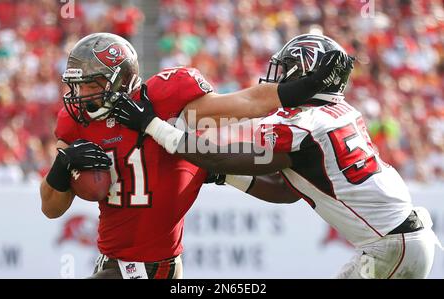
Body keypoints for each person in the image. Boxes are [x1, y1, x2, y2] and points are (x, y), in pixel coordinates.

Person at [118, 34, 441, 279]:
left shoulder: (301, 125)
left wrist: (152, 126)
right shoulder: (341, 111)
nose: (278, 77)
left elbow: (220, 157)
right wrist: (225, 176)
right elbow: (286, 191)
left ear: (305, 72)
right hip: (407, 240)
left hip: (390, 246)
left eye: (286, 70)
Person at [39, 32, 345, 279]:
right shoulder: (77, 123)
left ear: (120, 80)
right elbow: (51, 208)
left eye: (91, 85)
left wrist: (306, 88)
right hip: (110, 260)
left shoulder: (165, 101)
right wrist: (62, 165)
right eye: (77, 86)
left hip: (145, 267)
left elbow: (248, 102)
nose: (81, 96)